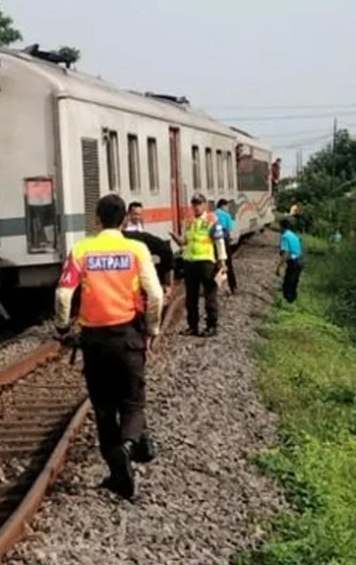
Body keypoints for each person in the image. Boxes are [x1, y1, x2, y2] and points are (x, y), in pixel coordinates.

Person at [54, 194, 164, 500]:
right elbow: (154, 295)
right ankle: (127, 448)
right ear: (125, 220)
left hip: (94, 341)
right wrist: (152, 330)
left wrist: (63, 328)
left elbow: (63, 296)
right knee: (133, 402)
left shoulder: (82, 250)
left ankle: (119, 476)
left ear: (97, 220)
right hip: (128, 337)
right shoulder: (136, 249)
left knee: (103, 408)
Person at [169, 193, 227, 336]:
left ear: (205, 204)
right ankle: (192, 326)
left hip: (206, 263)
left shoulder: (212, 220)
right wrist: (177, 239)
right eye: (194, 204)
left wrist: (222, 261)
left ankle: (211, 326)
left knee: (209, 297)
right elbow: (185, 242)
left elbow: (219, 242)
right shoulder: (189, 222)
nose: (196, 206)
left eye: (199, 203)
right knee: (191, 298)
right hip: (190, 263)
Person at [276, 218, 304, 302]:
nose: (279, 229)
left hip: (293, 262)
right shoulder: (293, 235)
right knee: (293, 283)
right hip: (300, 261)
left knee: (287, 285)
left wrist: (279, 267)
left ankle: (287, 303)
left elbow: (286, 253)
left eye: (279, 227)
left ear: (282, 227)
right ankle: (292, 302)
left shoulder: (285, 236)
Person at [214, 199, 238, 294]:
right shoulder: (226, 215)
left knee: (216, 264)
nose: (227, 208)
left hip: (215, 240)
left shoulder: (213, 214)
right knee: (228, 264)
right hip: (224, 240)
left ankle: (216, 287)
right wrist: (232, 219)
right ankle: (233, 286)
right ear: (223, 206)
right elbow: (230, 227)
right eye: (227, 206)